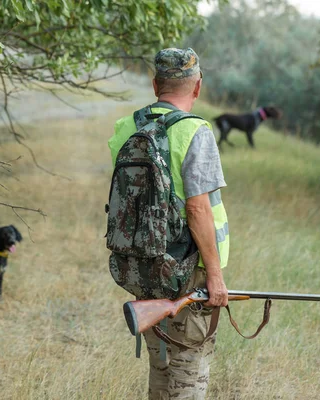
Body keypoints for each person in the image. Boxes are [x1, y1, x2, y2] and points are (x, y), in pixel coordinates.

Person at [108, 48, 230, 399]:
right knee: (189, 368)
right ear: (197, 87)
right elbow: (198, 211)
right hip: (186, 269)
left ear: (154, 85)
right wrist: (215, 275)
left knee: (160, 365)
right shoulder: (195, 131)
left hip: (139, 267)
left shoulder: (126, 128)